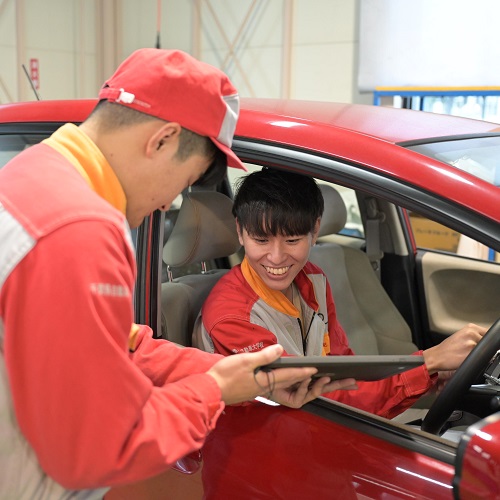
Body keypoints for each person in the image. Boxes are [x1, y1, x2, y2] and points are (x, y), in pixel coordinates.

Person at [0, 49, 355, 499]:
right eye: (184, 182)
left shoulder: (28, 176)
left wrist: (236, 376)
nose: (170, 204)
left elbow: (118, 344)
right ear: (162, 140)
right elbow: (95, 451)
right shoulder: (80, 227)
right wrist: (211, 392)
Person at [194, 168, 487, 419]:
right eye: (260, 240)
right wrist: (430, 362)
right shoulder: (232, 317)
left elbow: (343, 373)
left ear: (316, 229)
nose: (276, 257)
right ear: (240, 231)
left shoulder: (312, 278)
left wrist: (428, 374)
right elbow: (322, 403)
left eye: (293, 239)